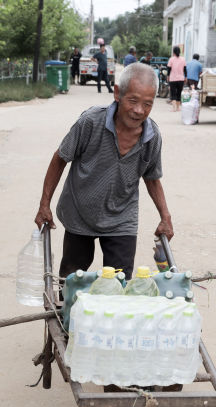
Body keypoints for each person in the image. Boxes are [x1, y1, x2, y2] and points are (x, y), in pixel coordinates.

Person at [34, 63, 173, 280]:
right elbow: (60, 158)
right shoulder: (91, 122)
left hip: (121, 218)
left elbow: (152, 178)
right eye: (133, 101)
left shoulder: (152, 136)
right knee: (72, 282)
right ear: (118, 93)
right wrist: (44, 205)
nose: (139, 110)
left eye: (147, 104)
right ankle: (66, 313)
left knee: (120, 283)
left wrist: (166, 217)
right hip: (80, 213)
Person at [167, 46, 186, 112]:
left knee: (173, 93)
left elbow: (169, 69)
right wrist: (185, 77)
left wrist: (168, 77)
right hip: (181, 79)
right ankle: (178, 108)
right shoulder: (183, 59)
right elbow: (185, 69)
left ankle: (174, 108)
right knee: (179, 93)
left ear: (173, 52)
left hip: (173, 79)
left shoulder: (171, 59)